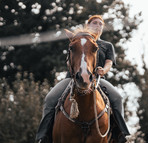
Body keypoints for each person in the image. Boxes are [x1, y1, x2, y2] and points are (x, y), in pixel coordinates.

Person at [36, 15, 130, 143]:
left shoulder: (107, 46)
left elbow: (109, 62)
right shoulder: (77, 41)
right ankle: (44, 136)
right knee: (50, 99)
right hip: (71, 79)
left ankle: (121, 134)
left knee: (117, 98)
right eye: (94, 23)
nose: (97, 26)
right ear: (88, 25)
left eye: (100, 24)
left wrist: (104, 70)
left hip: (97, 79)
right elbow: (70, 61)